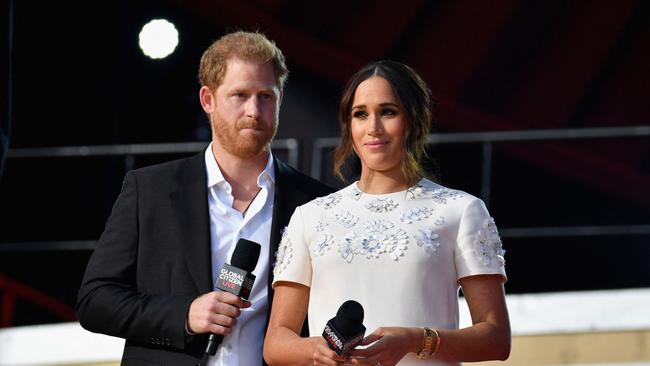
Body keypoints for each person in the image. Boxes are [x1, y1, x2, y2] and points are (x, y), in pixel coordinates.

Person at [76, 31, 333, 366]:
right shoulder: (150, 190)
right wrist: (185, 315)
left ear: (280, 99)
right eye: (239, 95)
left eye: (265, 96)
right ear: (208, 99)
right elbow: (95, 301)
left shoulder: (315, 202)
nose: (254, 110)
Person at [263, 60, 510, 366]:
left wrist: (415, 340)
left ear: (414, 121)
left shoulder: (461, 211)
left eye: (388, 112)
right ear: (348, 125)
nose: (373, 128)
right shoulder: (311, 217)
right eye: (360, 114)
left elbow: (496, 339)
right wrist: (316, 351)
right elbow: (276, 343)